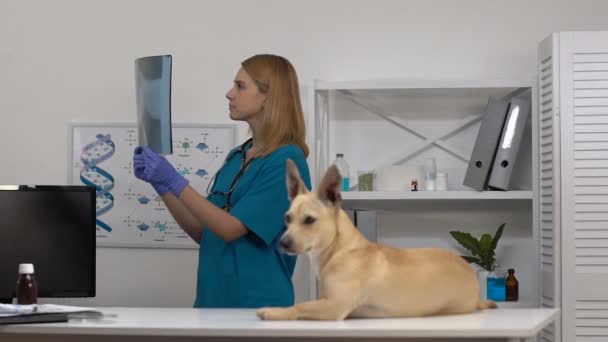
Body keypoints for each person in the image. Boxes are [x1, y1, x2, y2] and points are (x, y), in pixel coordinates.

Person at [133, 54, 311, 308]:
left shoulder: (286, 161)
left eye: (240, 86)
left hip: (257, 311)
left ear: (268, 97)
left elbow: (231, 229)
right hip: (211, 306)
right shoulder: (237, 157)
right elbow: (203, 231)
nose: (229, 94)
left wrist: (173, 179)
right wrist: (162, 186)